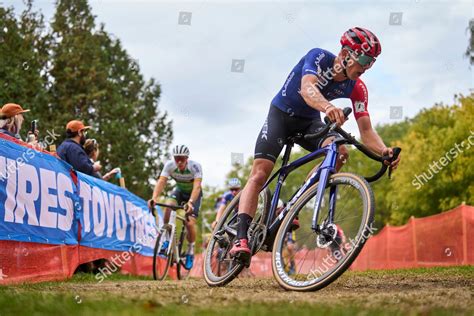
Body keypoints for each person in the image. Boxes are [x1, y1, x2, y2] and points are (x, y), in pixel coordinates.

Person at [230, 27, 402, 265]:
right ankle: (240, 237)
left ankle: (294, 206)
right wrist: (328, 107)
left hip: (308, 122)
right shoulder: (319, 57)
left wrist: (384, 151)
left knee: (340, 152)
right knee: (259, 173)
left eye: (371, 62)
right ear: (345, 54)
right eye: (363, 59)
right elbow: (307, 88)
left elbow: (366, 131)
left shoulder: (357, 88)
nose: (366, 67)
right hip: (281, 116)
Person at [148, 145, 203, 270]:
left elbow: (197, 187)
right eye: (177, 158)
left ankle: (190, 250)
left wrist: (190, 202)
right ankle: (167, 240)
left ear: (187, 158)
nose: (179, 162)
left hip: (193, 195)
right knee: (168, 207)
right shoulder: (169, 165)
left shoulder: (195, 167)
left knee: (189, 224)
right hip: (178, 192)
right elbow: (161, 181)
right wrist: (154, 198)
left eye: (182, 159)